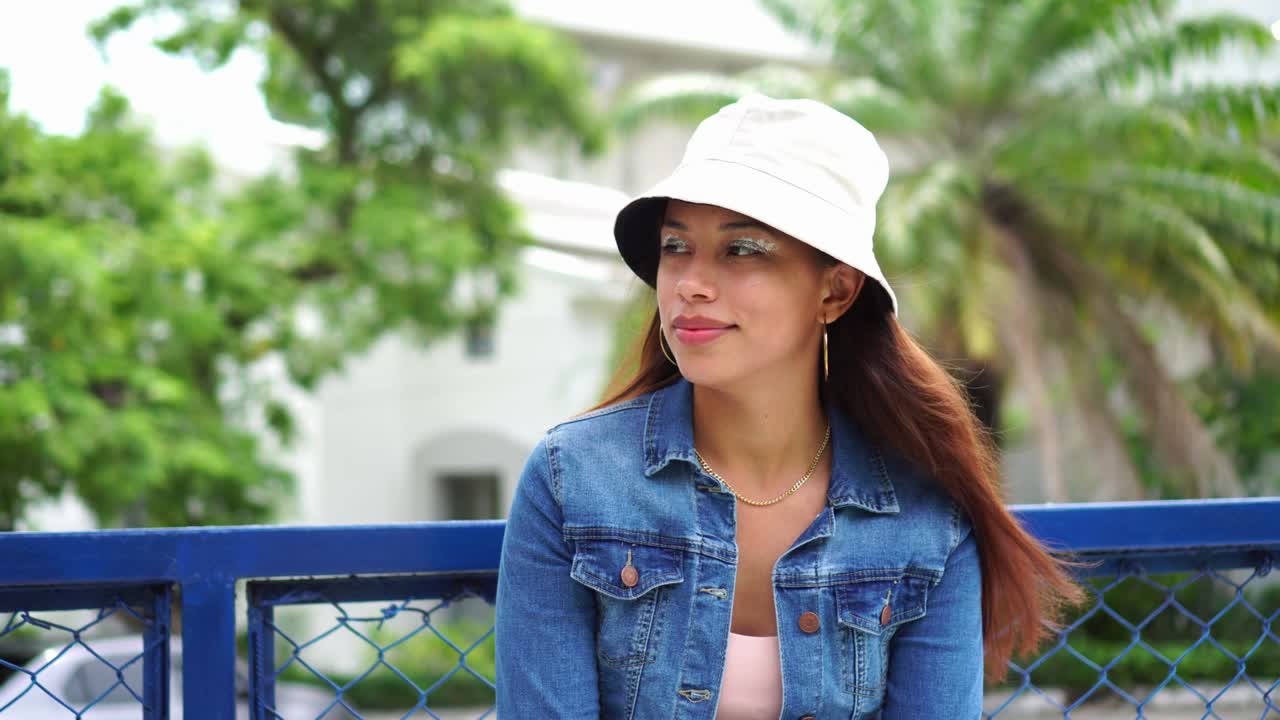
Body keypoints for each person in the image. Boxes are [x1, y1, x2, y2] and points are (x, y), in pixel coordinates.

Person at [494, 94, 1082, 719]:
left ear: (835, 291)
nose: (690, 283)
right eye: (675, 246)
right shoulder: (574, 479)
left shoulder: (925, 515)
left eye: (742, 249)